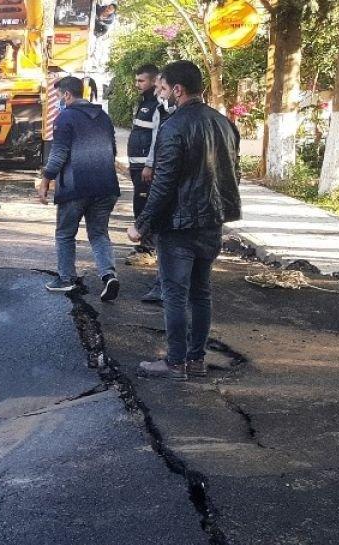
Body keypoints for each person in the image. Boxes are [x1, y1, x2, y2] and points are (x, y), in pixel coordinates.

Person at [128, 60, 241, 380]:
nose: (162, 94)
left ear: (178, 90)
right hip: (212, 221)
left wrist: (142, 224)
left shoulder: (173, 126)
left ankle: (175, 361)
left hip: (179, 226)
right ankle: (196, 360)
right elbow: (234, 172)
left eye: (165, 88)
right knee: (201, 293)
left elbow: (163, 184)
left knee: (175, 294)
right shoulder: (224, 123)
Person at [37, 75, 121, 301]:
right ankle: (108, 275)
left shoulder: (65, 117)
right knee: (99, 233)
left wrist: (46, 179)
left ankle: (66, 279)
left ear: (67, 94)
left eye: (57, 96)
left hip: (76, 186)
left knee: (65, 234)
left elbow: (59, 153)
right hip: (106, 186)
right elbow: (112, 150)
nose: (57, 101)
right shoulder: (103, 116)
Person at [126, 64, 172, 302]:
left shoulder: (157, 106)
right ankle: (144, 246)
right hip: (137, 164)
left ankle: (148, 248)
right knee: (138, 204)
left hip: (146, 166)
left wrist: (149, 164)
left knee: (145, 207)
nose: (138, 85)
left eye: (142, 81)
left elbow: (156, 137)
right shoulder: (144, 102)